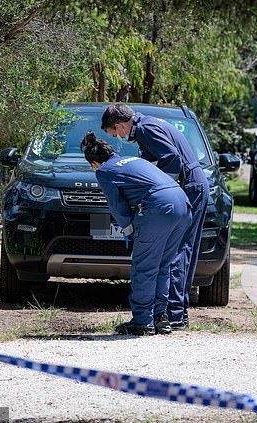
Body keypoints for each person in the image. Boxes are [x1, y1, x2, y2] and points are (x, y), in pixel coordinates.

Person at [101, 103, 209, 330]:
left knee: (179, 251)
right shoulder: (149, 124)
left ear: (120, 125)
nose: (118, 138)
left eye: (114, 133)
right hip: (188, 187)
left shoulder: (144, 129)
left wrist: (162, 190)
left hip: (188, 186)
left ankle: (174, 313)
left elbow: (172, 160)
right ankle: (171, 314)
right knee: (177, 251)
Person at [80, 131, 191, 336]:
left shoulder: (104, 170)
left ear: (94, 162)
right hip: (183, 205)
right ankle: (160, 318)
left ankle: (142, 322)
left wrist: (129, 229)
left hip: (159, 209)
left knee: (144, 267)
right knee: (162, 265)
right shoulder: (132, 161)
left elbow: (117, 206)